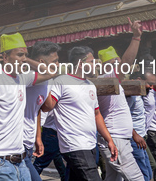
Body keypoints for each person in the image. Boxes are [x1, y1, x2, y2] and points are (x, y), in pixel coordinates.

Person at [0, 33, 55, 181]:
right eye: (19, 54)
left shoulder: (23, 77)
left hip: (20, 159)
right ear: (5, 58)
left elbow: (51, 72)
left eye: (25, 55)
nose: (23, 59)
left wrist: (24, 58)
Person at [42, 46, 118, 181]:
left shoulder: (90, 85)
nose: (96, 65)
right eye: (91, 62)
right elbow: (47, 107)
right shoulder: (62, 81)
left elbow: (97, 115)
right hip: (74, 145)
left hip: (90, 144)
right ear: (80, 63)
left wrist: (109, 140)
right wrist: (46, 79)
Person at [95, 18, 145, 181]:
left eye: (116, 62)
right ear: (103, 67)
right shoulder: (106, 80)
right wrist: (136, 37)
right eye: (112, 63)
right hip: (114, 138)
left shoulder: (114, 82)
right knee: (137, 178)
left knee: (114, 178)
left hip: (119, 137)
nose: (116, 66)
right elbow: (126, 63)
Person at [23, 41, 61, 181]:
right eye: (55, 61)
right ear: (40, 62)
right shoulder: (29, 77)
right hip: (16, 141)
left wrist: (38, 138)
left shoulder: (49, 80)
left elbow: (42, 107)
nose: (58, 64)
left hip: (28, 142)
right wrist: (25, 58)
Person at [127, 69, 156, 181]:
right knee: (143, 173)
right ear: (139, 80)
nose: (151, 87)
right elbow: (124, 118)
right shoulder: (131, 96)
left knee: (150, 168)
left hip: (141, 136)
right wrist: (134, 135)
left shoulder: (139, 94)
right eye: (149, 83)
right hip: (134, 138)